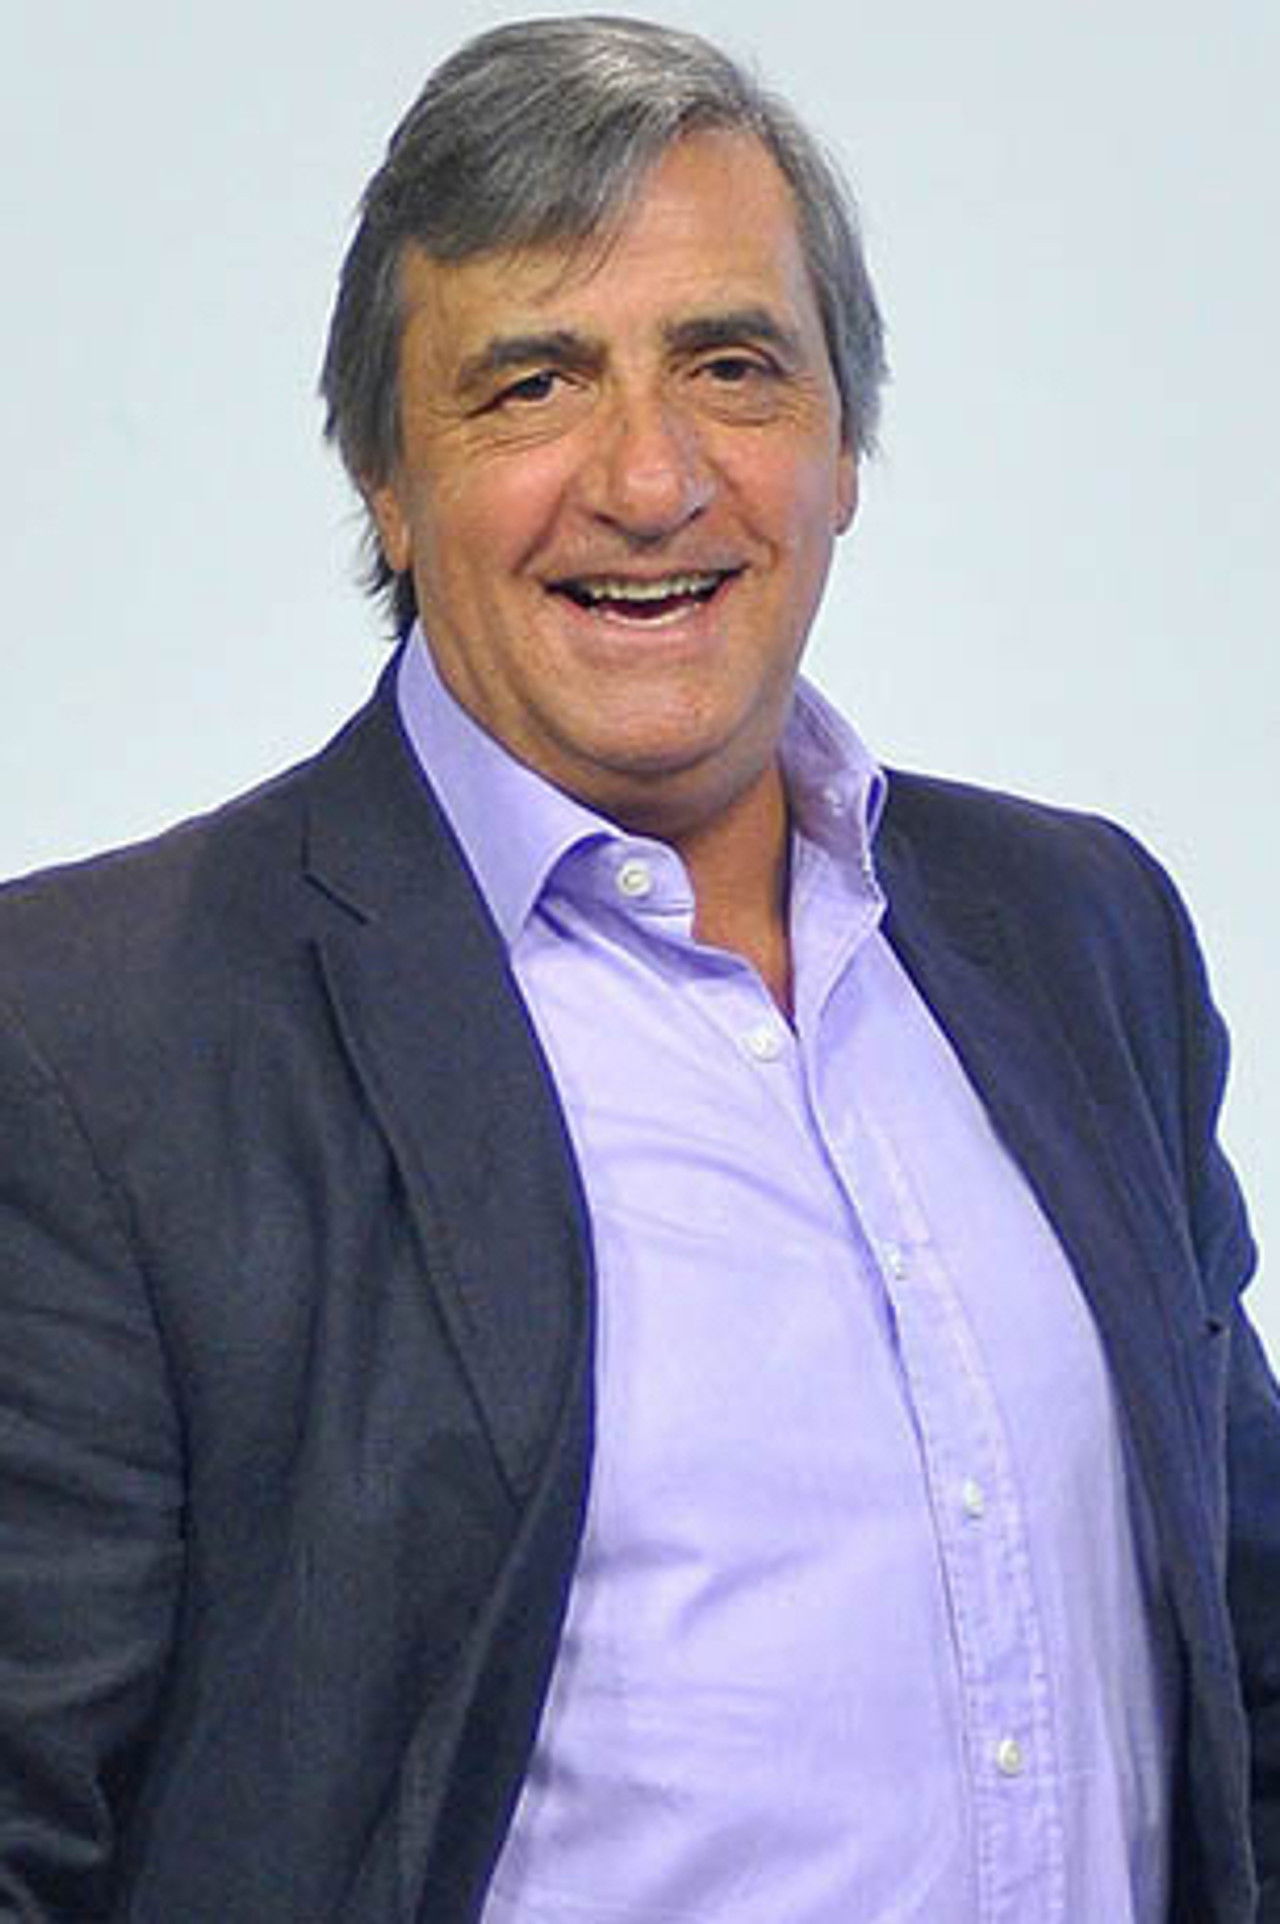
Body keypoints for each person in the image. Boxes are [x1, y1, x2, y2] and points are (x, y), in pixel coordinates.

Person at [0, 15, 1276, 1921]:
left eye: (732, 367)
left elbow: (1245, 1667)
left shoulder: (1078, 936)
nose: (652, 478)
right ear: (385, 480)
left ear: (844, 444)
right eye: (532, 384)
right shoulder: (92, 1042)